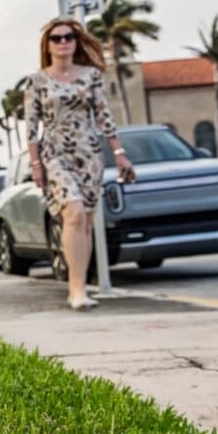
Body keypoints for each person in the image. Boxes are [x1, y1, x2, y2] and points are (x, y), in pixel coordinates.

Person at [24, 18, 135, 310]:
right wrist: (36, 164)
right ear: (47, 46)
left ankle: (82, 286)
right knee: (72, 213)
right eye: (57, 38)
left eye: (68, 37)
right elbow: (32, 128)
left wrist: (119, 152)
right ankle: (75, 290)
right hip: (55, 155)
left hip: (88, 155)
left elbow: (103, 115)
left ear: (76, 41)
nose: (63, 42)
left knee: (85, 221)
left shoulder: (91, 75)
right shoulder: (37, 81)